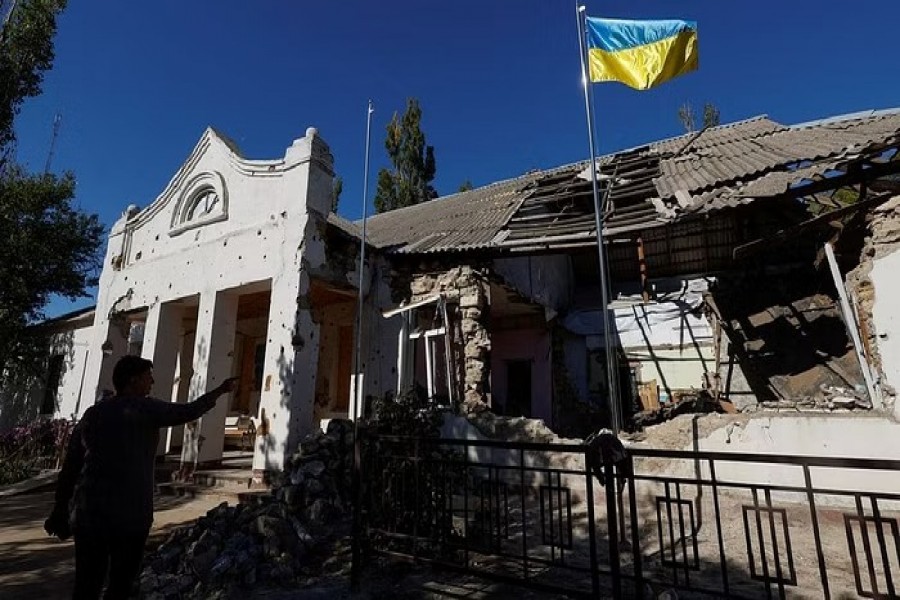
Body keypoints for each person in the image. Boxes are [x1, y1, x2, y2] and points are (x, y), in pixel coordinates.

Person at [44, 355, 238, 600]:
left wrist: (60, 509)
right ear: (133, 380)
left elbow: (71, 467)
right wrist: (220, 391)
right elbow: (189, 411)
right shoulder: (144, 409)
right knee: (121, 585)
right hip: (129, 518)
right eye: (148, 377)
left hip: (88, 515)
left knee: (86, 586)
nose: (153, 382)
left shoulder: (93, 414)